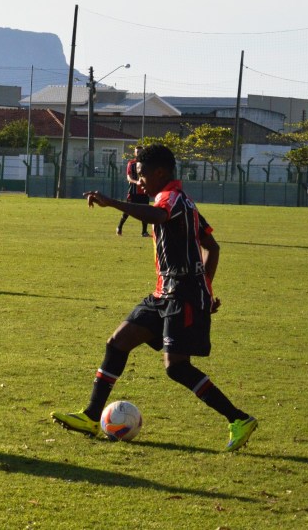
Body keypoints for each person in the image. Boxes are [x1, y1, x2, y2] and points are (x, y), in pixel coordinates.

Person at [51, 144, 258, 452]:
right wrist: (207, 289)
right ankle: (92, 417)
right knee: (117, 342)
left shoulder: (173, 200)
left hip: (183, 295)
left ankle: (238, 419)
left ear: (160, 172)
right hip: (165, 293)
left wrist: (113, 202)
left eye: (142, 175)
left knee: (176, 367)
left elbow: (160, 217)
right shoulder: (183, 202)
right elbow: (211, 247)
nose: (139, 181)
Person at [116, 145, 150, 237]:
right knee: (128, 210)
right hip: (133, 192)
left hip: (144, 191)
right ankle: (119, 227)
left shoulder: (147, 163)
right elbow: (129, 177)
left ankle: (144, 232)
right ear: (135, 153)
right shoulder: (131, 163)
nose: (139, 153)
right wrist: (136, 182)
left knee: (145, 211)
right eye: (137, 152)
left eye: (141, 152)